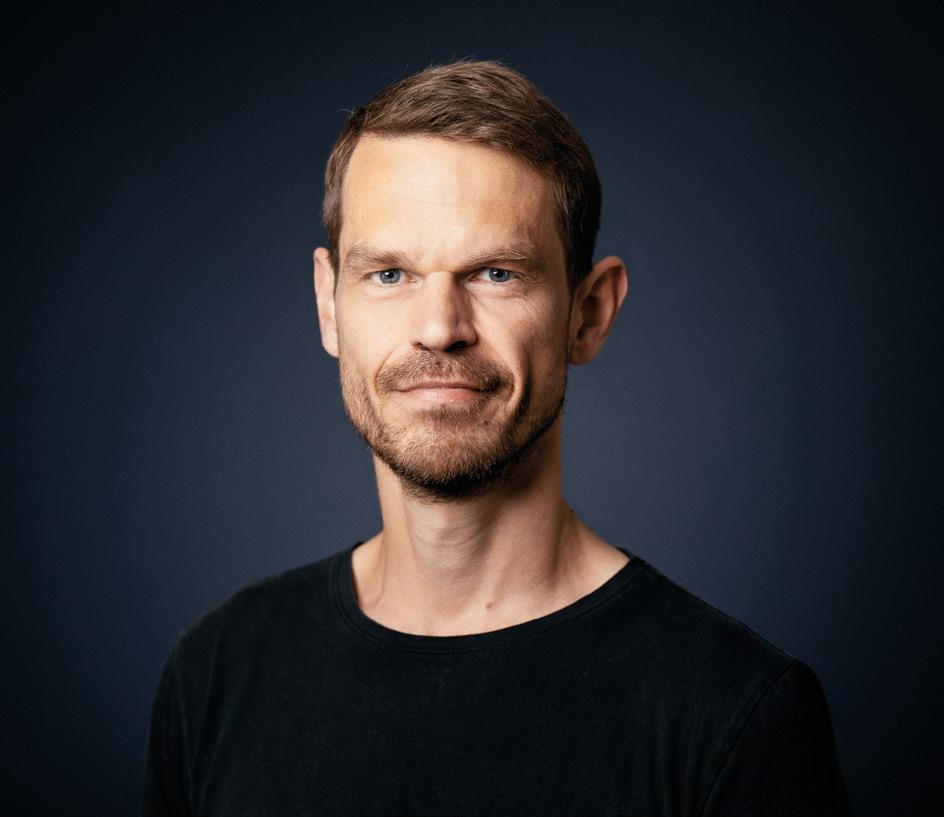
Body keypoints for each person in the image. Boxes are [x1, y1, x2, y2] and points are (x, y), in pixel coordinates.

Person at [142, 59, 854, 816]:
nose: (438, 328)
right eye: (389, 274)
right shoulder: (215, 672)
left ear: (588, 313)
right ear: (328, 304)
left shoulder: (735, 714)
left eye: (496, 273)